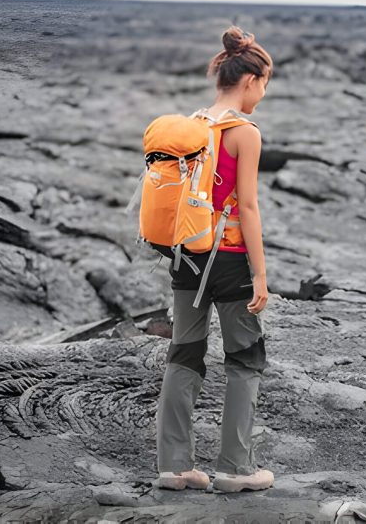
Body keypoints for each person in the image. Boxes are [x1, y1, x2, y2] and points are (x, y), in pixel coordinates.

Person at [156, 27, 275, 493]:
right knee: (244, 358)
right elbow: (247, 207)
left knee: (184, 353)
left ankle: (174, 467)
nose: (263, 94)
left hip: (186, 256)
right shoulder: (243, 133)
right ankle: (235, 468)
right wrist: (260, 273)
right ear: (249, 80)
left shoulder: (192, 124)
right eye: (264, 84)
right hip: (227, 260)